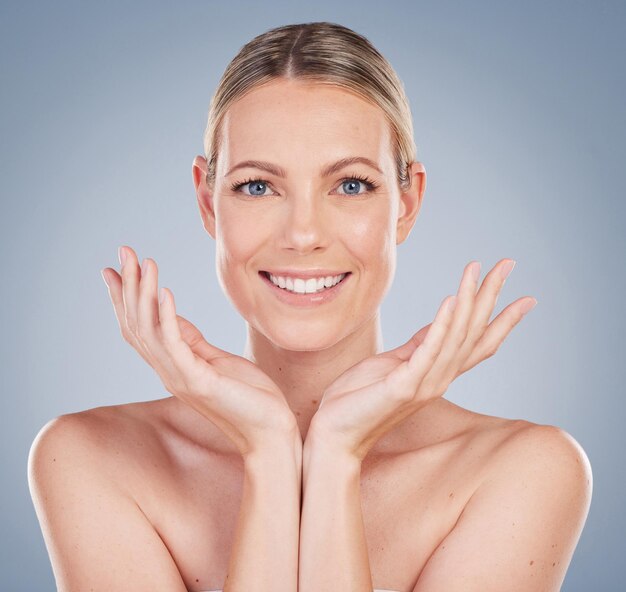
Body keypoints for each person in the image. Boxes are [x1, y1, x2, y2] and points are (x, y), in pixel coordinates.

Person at [28, 21, 592, 592]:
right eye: (257, 186)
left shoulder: (523, 472)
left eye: (350, 185)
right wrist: (269, 451)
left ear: (407, 203)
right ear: (206, 201)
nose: (303, 235)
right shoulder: (91, 459)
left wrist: (336, 454)